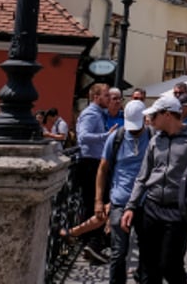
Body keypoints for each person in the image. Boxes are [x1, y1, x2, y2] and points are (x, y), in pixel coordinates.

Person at [121, 93, 187, 284]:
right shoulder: (155, 140)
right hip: (152, 207)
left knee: (170, 265)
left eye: (153, 115)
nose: (149, 120)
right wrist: (130, 206)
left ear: (167, 115)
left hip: (177, 210)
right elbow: (143, 176)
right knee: (149, 266)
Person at [97, 99, 150, 284]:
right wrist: (98, 200)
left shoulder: (152, 137)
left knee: (147, 251)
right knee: (118, 253)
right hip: (119, 202)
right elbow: (103, 168)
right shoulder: (117, 137)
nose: (134, 131)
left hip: (145, 202)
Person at [77, 83, 114, 259]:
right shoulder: (91, 114)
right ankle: (91, 242)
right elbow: (82, 136)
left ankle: (93, 242)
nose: (109, 98)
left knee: (99, 201)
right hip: (90, 163)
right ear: (96, 97)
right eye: (106, 95)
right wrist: (105, 136)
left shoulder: (99, 114)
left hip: (94, 162)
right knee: (95, 202)